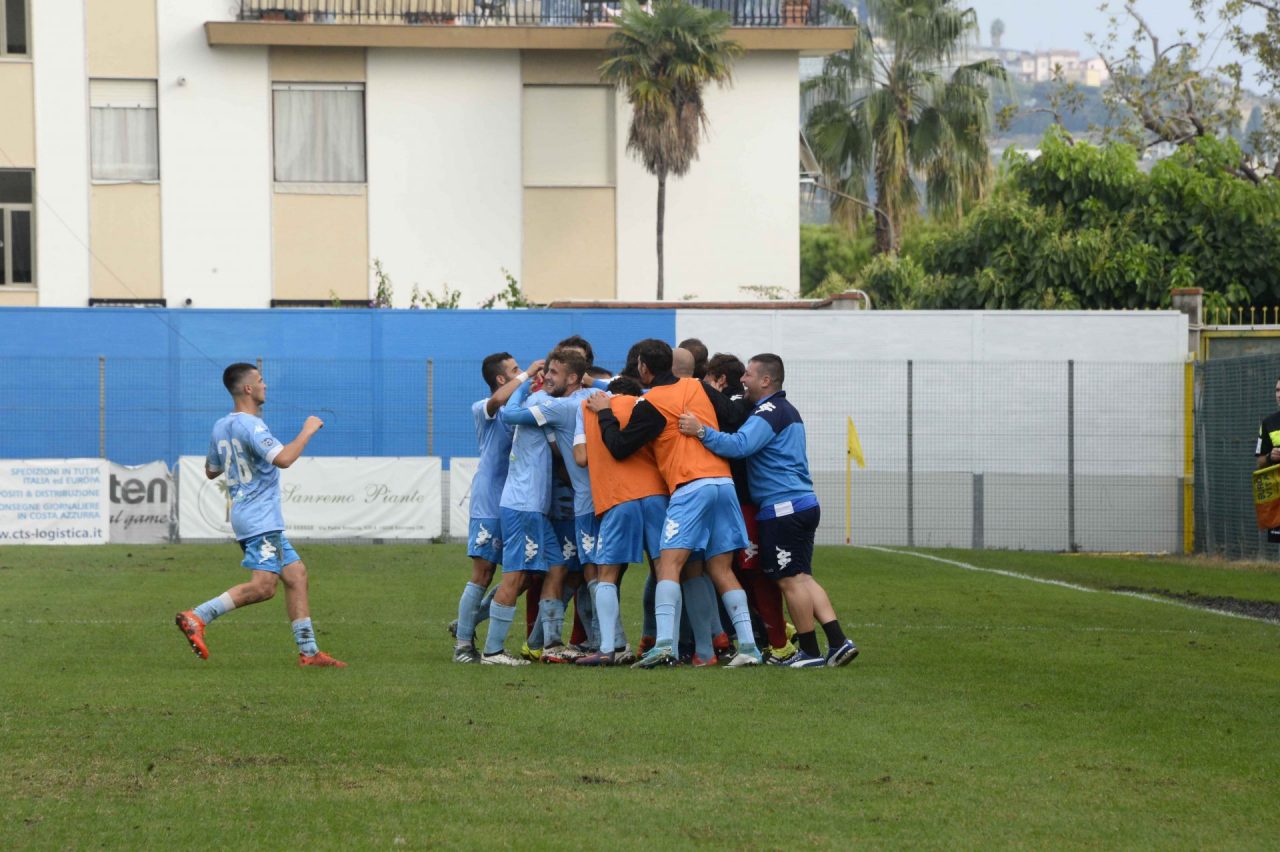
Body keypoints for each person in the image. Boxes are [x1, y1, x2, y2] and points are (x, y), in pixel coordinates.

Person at [586, 338, 762, 668]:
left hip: (690, 485)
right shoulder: (697, 387)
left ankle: (664, 643)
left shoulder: (650, 403)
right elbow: (731, 413)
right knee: (720, 569)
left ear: (642, 368)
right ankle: (749, 648)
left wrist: (606, 414)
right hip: (724, 483)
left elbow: (621, 447)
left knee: (668, 566)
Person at [678, 353, 858, 668]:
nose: (742, 380)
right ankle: (838, 641)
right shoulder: (785, 410)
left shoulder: (769, 411)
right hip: (800, 503)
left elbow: (739, 446)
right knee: (802, 577)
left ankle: (809, 651)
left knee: (789, 579)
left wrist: (701, 431)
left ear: (766, 380)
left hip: (782, 508)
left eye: (747, 374)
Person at [175, 363, 345, 668]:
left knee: (296, 576)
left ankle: (309, 652)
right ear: (248, 389)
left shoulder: (220, 426)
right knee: (264, 586)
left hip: (249, 515)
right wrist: (307, 431)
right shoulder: (252, 426)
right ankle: (198, 616)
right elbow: (284, 459)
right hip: (259, 519)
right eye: (261, 381)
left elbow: (211, 470)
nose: (266, 385)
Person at [500, 347, 597, 662]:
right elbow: (502, 412)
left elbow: (509, 413)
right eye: (546, 371)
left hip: (549, 504)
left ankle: (553, 643)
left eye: (552, 373)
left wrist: (524, 383)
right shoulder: (567, 400)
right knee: (523, 575)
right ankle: (485, 644)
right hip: (530, 504)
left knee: (563, 570)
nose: (545, 377)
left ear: (572, 376)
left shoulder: (554, 404)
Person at [451, 353, 543, 664]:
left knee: (524, 575)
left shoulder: (523, 405)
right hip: (490, 500)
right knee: (484, 572)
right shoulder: (484, 408)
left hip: (519, 501)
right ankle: (463, 646)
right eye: (515, 370)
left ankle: (469, 621)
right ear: (501, 379)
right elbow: (497, 401)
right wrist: (528, 374)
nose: (523, 373)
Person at [573, 374, 664, 665]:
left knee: (606, 575)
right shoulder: (648, 403)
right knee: (666, 570)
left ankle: (608, 648)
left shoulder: (587, 407)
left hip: (617, 497)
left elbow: (580, 457)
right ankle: (668, 645)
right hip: (655, 495)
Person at [1254, 377, 1280, 543]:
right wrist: (1271, 457)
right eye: (1277, 390)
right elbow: (1260, 461)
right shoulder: (1268, 423)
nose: (1279, 395)